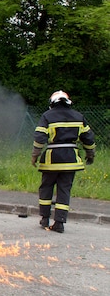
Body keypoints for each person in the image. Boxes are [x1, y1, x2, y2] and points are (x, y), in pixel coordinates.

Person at [31, 90, 96, 233]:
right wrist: (90, 154)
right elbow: (88, 138)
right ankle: (59, 222)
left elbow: (40, 137)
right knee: (64, 190)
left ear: (52, 102)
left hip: (51, 159)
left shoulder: (47, 116)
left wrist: (35, 155)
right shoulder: (78, 116)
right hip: (70, 160)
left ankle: (44, 218)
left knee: (46, 187)